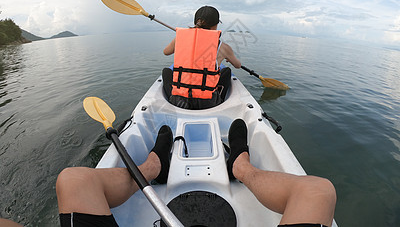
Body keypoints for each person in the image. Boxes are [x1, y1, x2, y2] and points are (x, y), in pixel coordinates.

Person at [56, 121, 336, 227]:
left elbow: (168, 53)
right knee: (318, 191)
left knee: (73, 180)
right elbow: (233, 65)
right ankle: (240, 166)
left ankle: (154, 166)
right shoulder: (219, 45)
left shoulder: (183, 39)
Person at [162, 6, 241, 110]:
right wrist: (228, 57)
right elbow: (238, 65)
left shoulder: (179, 39)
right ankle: (220, 99)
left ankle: (171, 98)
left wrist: (180, 39)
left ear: (195, 22)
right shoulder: (223, 47)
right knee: (227, 71)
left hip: (179, 101)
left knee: (166, 72)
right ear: (215, 25)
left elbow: (166, 52)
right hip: (208, 103)